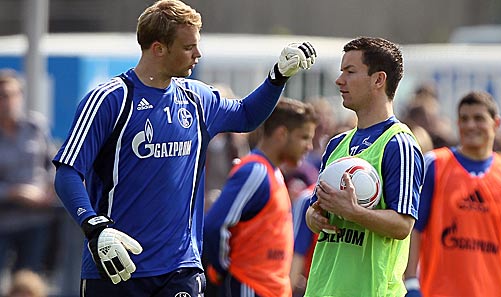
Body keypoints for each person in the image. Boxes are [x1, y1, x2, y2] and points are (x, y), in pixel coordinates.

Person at [51, 0, 317, 296]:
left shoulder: (196, 99)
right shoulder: (111, 99)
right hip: (117, 263)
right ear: (159, 48)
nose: (198, 54)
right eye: (189, 47)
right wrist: (95, 228)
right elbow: (67, 171)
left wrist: (277, 76)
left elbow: (245, 115)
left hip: (181, 268)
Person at [303, 37, 424, 296]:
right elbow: (315, 214)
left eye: (350, 72)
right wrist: (313, 217)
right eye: (341, 72)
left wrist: (354, 212)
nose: (339, 80)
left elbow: (403, 225)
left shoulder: (399, 144)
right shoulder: (337, 144)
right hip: (322, 290)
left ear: (378, 80)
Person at [203, 98, 318, 297]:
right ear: (282, 134)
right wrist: (225, 271)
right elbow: (215, 225)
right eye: (304, 137)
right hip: (250, 287)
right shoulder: (255, 170)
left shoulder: (273, 172)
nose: (309, 146)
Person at [404, 91, 501, 297]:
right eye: (464, 119)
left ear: (496, 123)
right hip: (437, 291)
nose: (470, 125)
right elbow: (414, 229)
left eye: (479, 118)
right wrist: (411, 282)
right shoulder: (435, 164)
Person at [0, 69, 56, 279]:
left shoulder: (35, 126)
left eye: (12, 95)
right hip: (4, 220)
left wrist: (49, 189)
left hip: (36, 219)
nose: (8, 102)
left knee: (28, 281)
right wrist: (15, 193)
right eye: (2, 96)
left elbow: (52, 163)